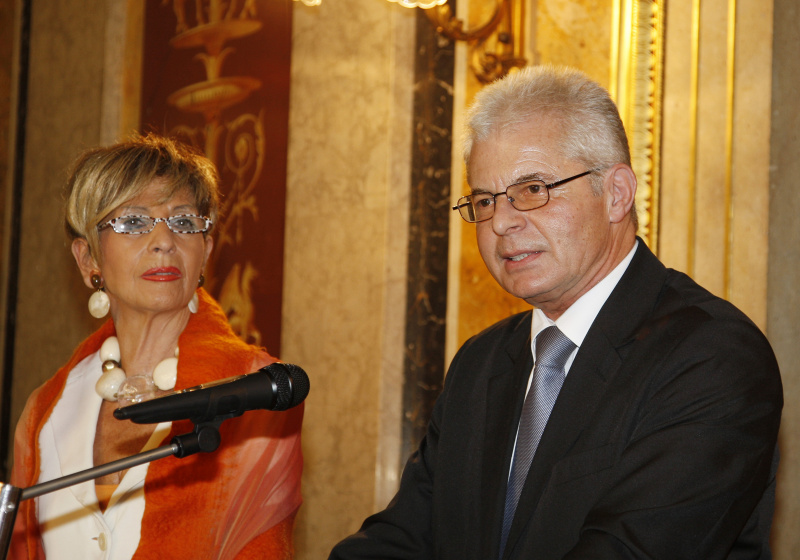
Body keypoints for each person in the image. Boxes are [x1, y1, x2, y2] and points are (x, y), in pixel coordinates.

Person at [330, 65, 782, 559]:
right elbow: (402, 539)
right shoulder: (480, 364)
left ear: (616, 194)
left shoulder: (712, 358)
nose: (501, 222)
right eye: (485, 199)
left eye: (532, 190)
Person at [10, 134, 303, 559]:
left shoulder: (259, 395)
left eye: (185, 223)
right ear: (88, 258)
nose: (165, 240)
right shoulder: (44, 414)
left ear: (206, 250)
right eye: (133, 222)